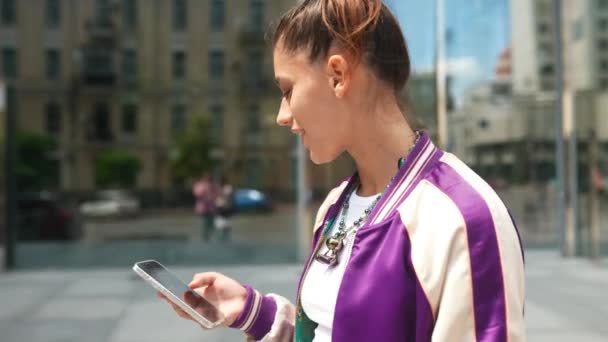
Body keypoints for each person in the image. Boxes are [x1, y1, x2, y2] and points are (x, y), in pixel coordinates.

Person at [161, 1, 526, 340]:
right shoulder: (337, 204)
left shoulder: (462, 217)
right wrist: (253, 312)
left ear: (337, 74)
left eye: (288, 90)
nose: (282, 115)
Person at [192, 173, 217, 242]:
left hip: (211, 207)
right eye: (208, 178)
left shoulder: (213, 186)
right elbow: (197, 193)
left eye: (210, 179)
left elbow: (216, 194)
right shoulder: (200, 185)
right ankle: (205, 236)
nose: (209, 180)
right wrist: (205, 191)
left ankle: (208, 234)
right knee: (205, 222)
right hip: (203, 207)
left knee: (211, 222)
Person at [215, 176, 235, 242]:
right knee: (220, 221)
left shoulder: (228, 188)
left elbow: (228, 196)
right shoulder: (218, 187)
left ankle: (225, 236)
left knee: (226, 221)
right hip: (220, 206)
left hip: (226, 206)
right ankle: (221, 236)